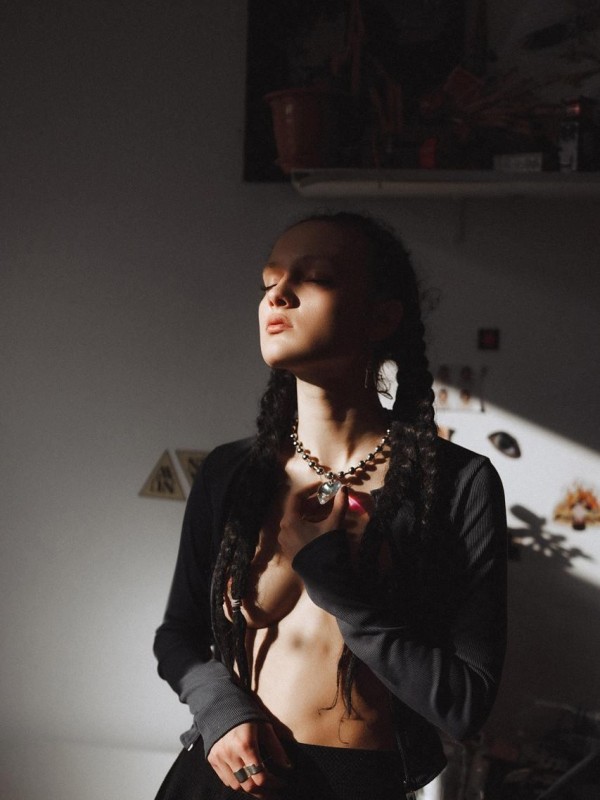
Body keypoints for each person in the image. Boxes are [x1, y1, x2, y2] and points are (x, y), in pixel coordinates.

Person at [153, 212, 507, 800]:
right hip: (218, 775)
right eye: (269, 281)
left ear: (381, 317)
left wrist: (335, 583)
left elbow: (465, 704)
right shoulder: (232, 473)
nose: (278, 295)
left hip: (352, 785)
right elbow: (178, 634)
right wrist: (219, 709)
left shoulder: (456, 484)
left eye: (314, 277)